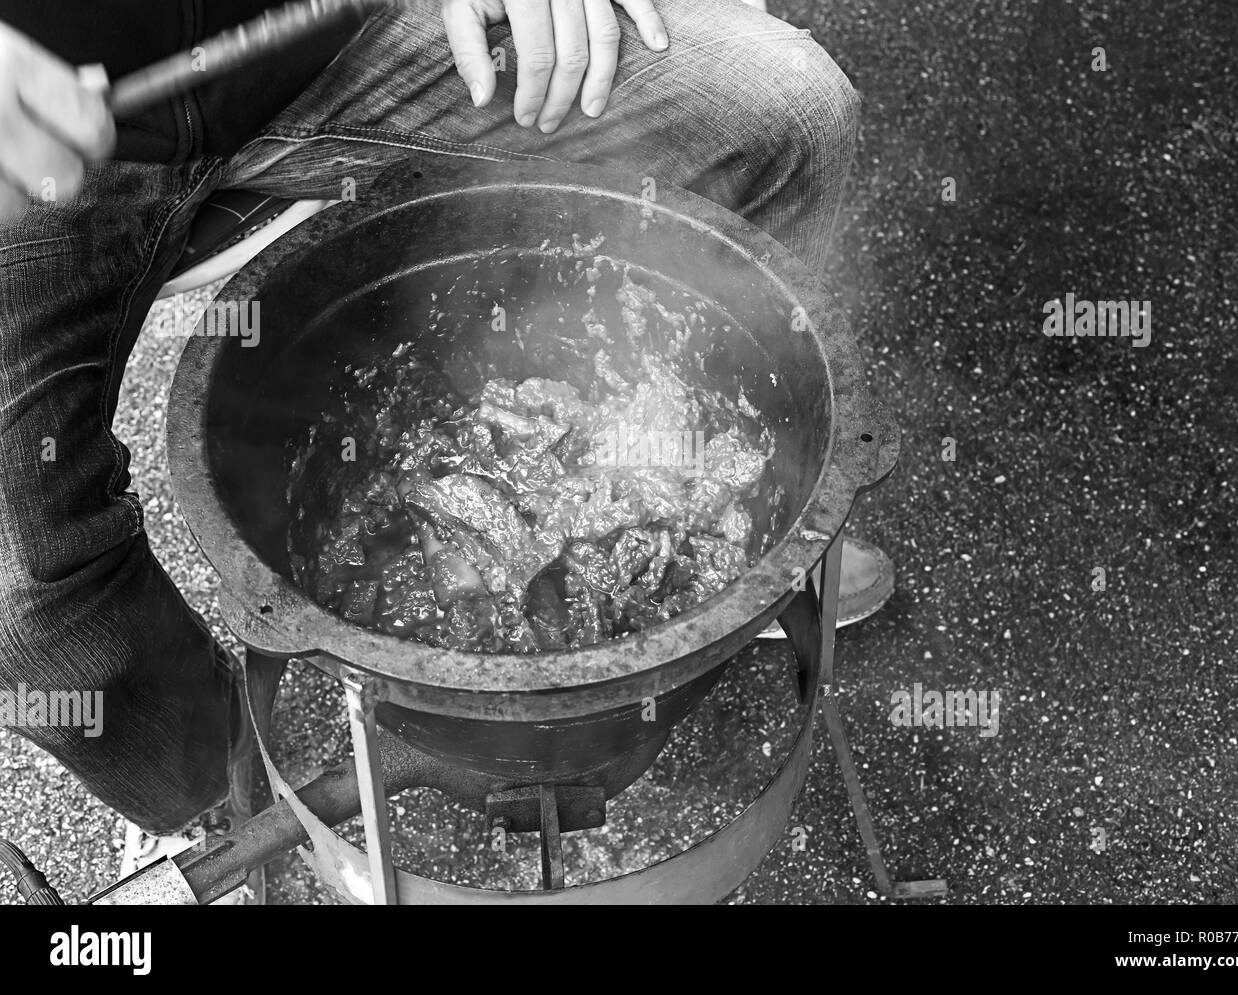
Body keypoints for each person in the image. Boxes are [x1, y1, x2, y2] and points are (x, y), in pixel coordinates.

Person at [0, 0, 859, 900]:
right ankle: (230, 795)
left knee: (789, 115)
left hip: (298, 41)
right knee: (27, 613)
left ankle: (764, 531)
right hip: (36, 134)